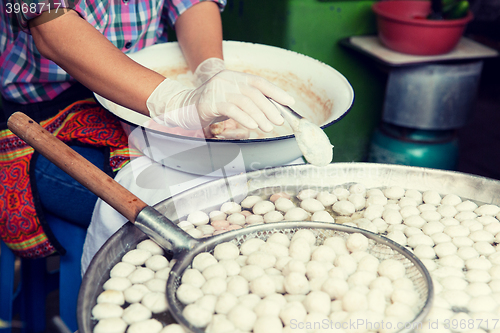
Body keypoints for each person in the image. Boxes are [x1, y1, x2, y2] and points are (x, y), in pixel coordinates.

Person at [0, 0, 295, 260]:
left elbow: (191, 3)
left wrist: (210, 71)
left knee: (269, 184)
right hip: (41, 111)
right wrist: (180, 101)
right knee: (180, 214)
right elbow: (51, 24)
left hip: (142, 84)